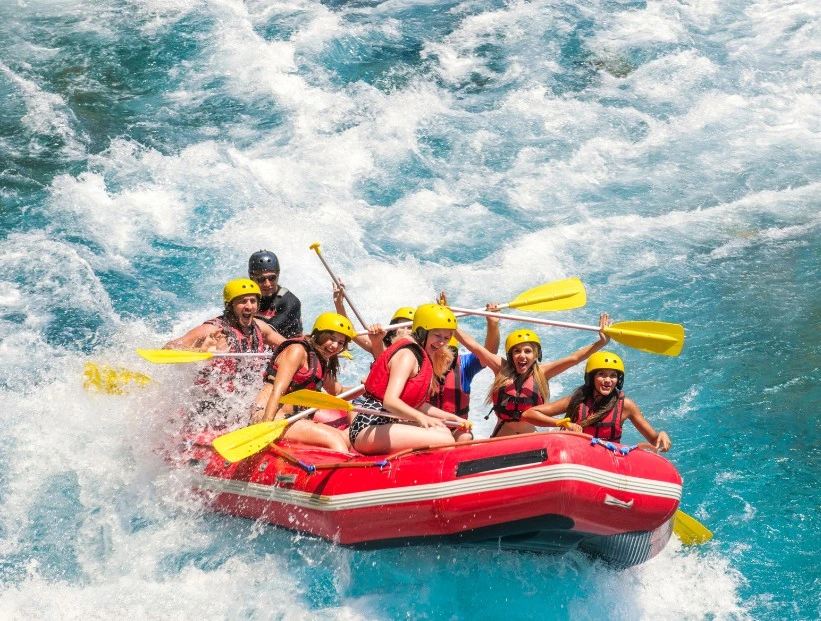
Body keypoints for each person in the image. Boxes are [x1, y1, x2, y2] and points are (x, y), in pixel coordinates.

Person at [454, 314, 611, 437]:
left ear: (536, 355)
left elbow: (574, 359)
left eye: (527, 351)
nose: (522, 356)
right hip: (502, 435)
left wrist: (601, 343)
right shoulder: (500, 368)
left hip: (530, 435)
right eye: (517, 351)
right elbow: (473, 345)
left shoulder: (543, 373)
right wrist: (449, 322)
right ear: (510, 355)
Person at [162, 279, 285, 428]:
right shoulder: (212, 330)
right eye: (242, 301)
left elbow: (288, 347)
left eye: (253, 301)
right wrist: (200, 351)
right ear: (230, 305)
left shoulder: (260, 328)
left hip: (244, 400)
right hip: (209, 406)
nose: (249, 306)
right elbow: (168, 349)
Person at [348, 304, 467, 455]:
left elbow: (418, 404)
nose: (442, 343)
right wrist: (420, 418)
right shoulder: (407, 355)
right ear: (422, 332)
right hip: (367, 427)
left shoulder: (421, 355)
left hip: (384, 423)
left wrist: (452, 418)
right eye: (437, 336)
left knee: (444, 431)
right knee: (445, 441)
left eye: (446, 338)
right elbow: (390, 401)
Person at [519, 352, 672, 452]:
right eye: (602, 374)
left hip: (609, 459)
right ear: (591, 378)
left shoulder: (626, 406)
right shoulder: (577, 400)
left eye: (613, 376)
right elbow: (528, 414)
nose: (607, 380)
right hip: (578, 456)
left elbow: (654, 440)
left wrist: (662, 435)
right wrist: (562, 423)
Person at [248, 312, 356, 452]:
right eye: (331, 339)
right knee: (334, 439)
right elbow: (277, 390)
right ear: (319, 334)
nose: (335, 346)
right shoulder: (297, 351)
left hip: (293, 417)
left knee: (341, 436)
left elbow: (338, 391)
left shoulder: (320, 359)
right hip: (268, 414)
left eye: (341, 343)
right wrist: (265, 427)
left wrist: (368, 387)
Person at [427, 310, 500, 442]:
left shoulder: (464, 366)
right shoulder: (420, 364)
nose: (444, 357)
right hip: (428, 426)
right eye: (440, 353)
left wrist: (492, 325)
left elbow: (487, 354)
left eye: (450, 353)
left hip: (456, 428)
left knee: (465, 437)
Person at [248, 250, 302, 338]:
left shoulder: (291, 302)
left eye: (272, 278)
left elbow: (267, 334)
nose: (267, 284)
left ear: (278, 275)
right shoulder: (246, 298)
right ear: (251, 278)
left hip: (288, 348)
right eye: (261, 279)